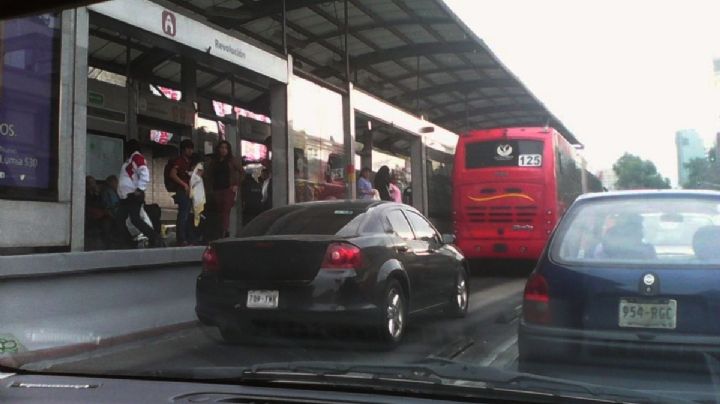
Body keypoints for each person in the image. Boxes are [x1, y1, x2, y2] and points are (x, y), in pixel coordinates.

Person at [117, 139, 160, 247]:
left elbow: (145, 173)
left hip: (132, 195)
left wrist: (139, 189)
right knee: (124, 219)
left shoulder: (136, 157)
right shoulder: (132, 159)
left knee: (133, 219)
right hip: (127, 196)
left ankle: (154, 237)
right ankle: (128, 241)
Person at [204, 141, 241, 239]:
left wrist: (236, 185)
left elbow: (242, 172)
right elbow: (209, 175)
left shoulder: (232, 160)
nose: (223, 150)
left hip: (228, 189)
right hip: (217, 189)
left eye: (226, 148)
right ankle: (219, 231)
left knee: (226, 210)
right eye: (222, 147)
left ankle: (225, 231)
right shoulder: (214, 162)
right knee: (219, 211)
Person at [168, 139, 195, 246]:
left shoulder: (188, 162)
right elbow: (172, 174)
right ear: (184, 149)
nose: (191, 151)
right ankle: (182, 238)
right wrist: (184, 184)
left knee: (186, 215)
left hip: (187, 191)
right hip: (181, 191)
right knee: (183, 215)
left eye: (191, 149)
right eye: (188, 148)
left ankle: (187, 237)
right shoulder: (179, 161)